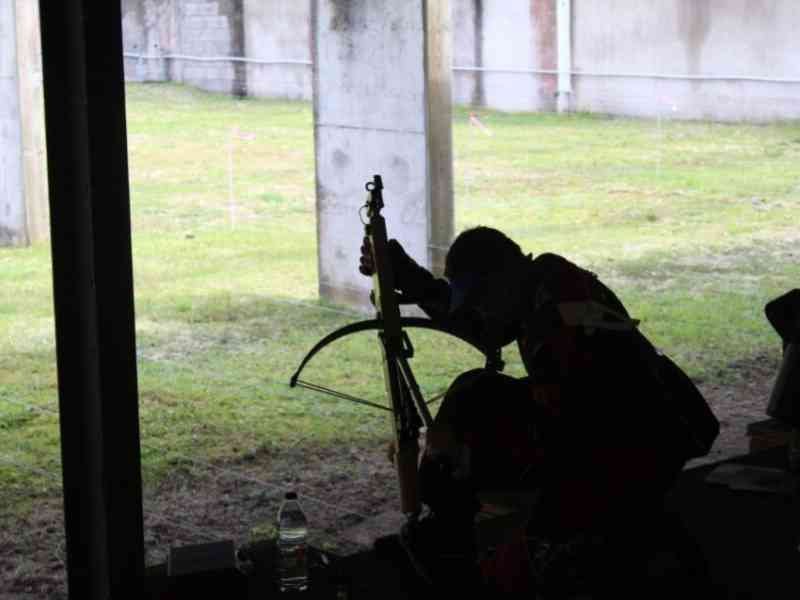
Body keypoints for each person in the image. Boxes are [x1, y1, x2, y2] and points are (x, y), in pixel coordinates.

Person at [359, 227, 717, 597]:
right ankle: (449, 539)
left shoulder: (560, 310)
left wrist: (537, 531)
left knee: (477, 398)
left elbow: (580, 431)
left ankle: (449, 544)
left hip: (631, 444)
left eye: (482, 299)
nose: (479, 310)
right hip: (619, 432)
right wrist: (413, 281)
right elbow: (487, 326)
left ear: (503, 279)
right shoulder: (539, 287)